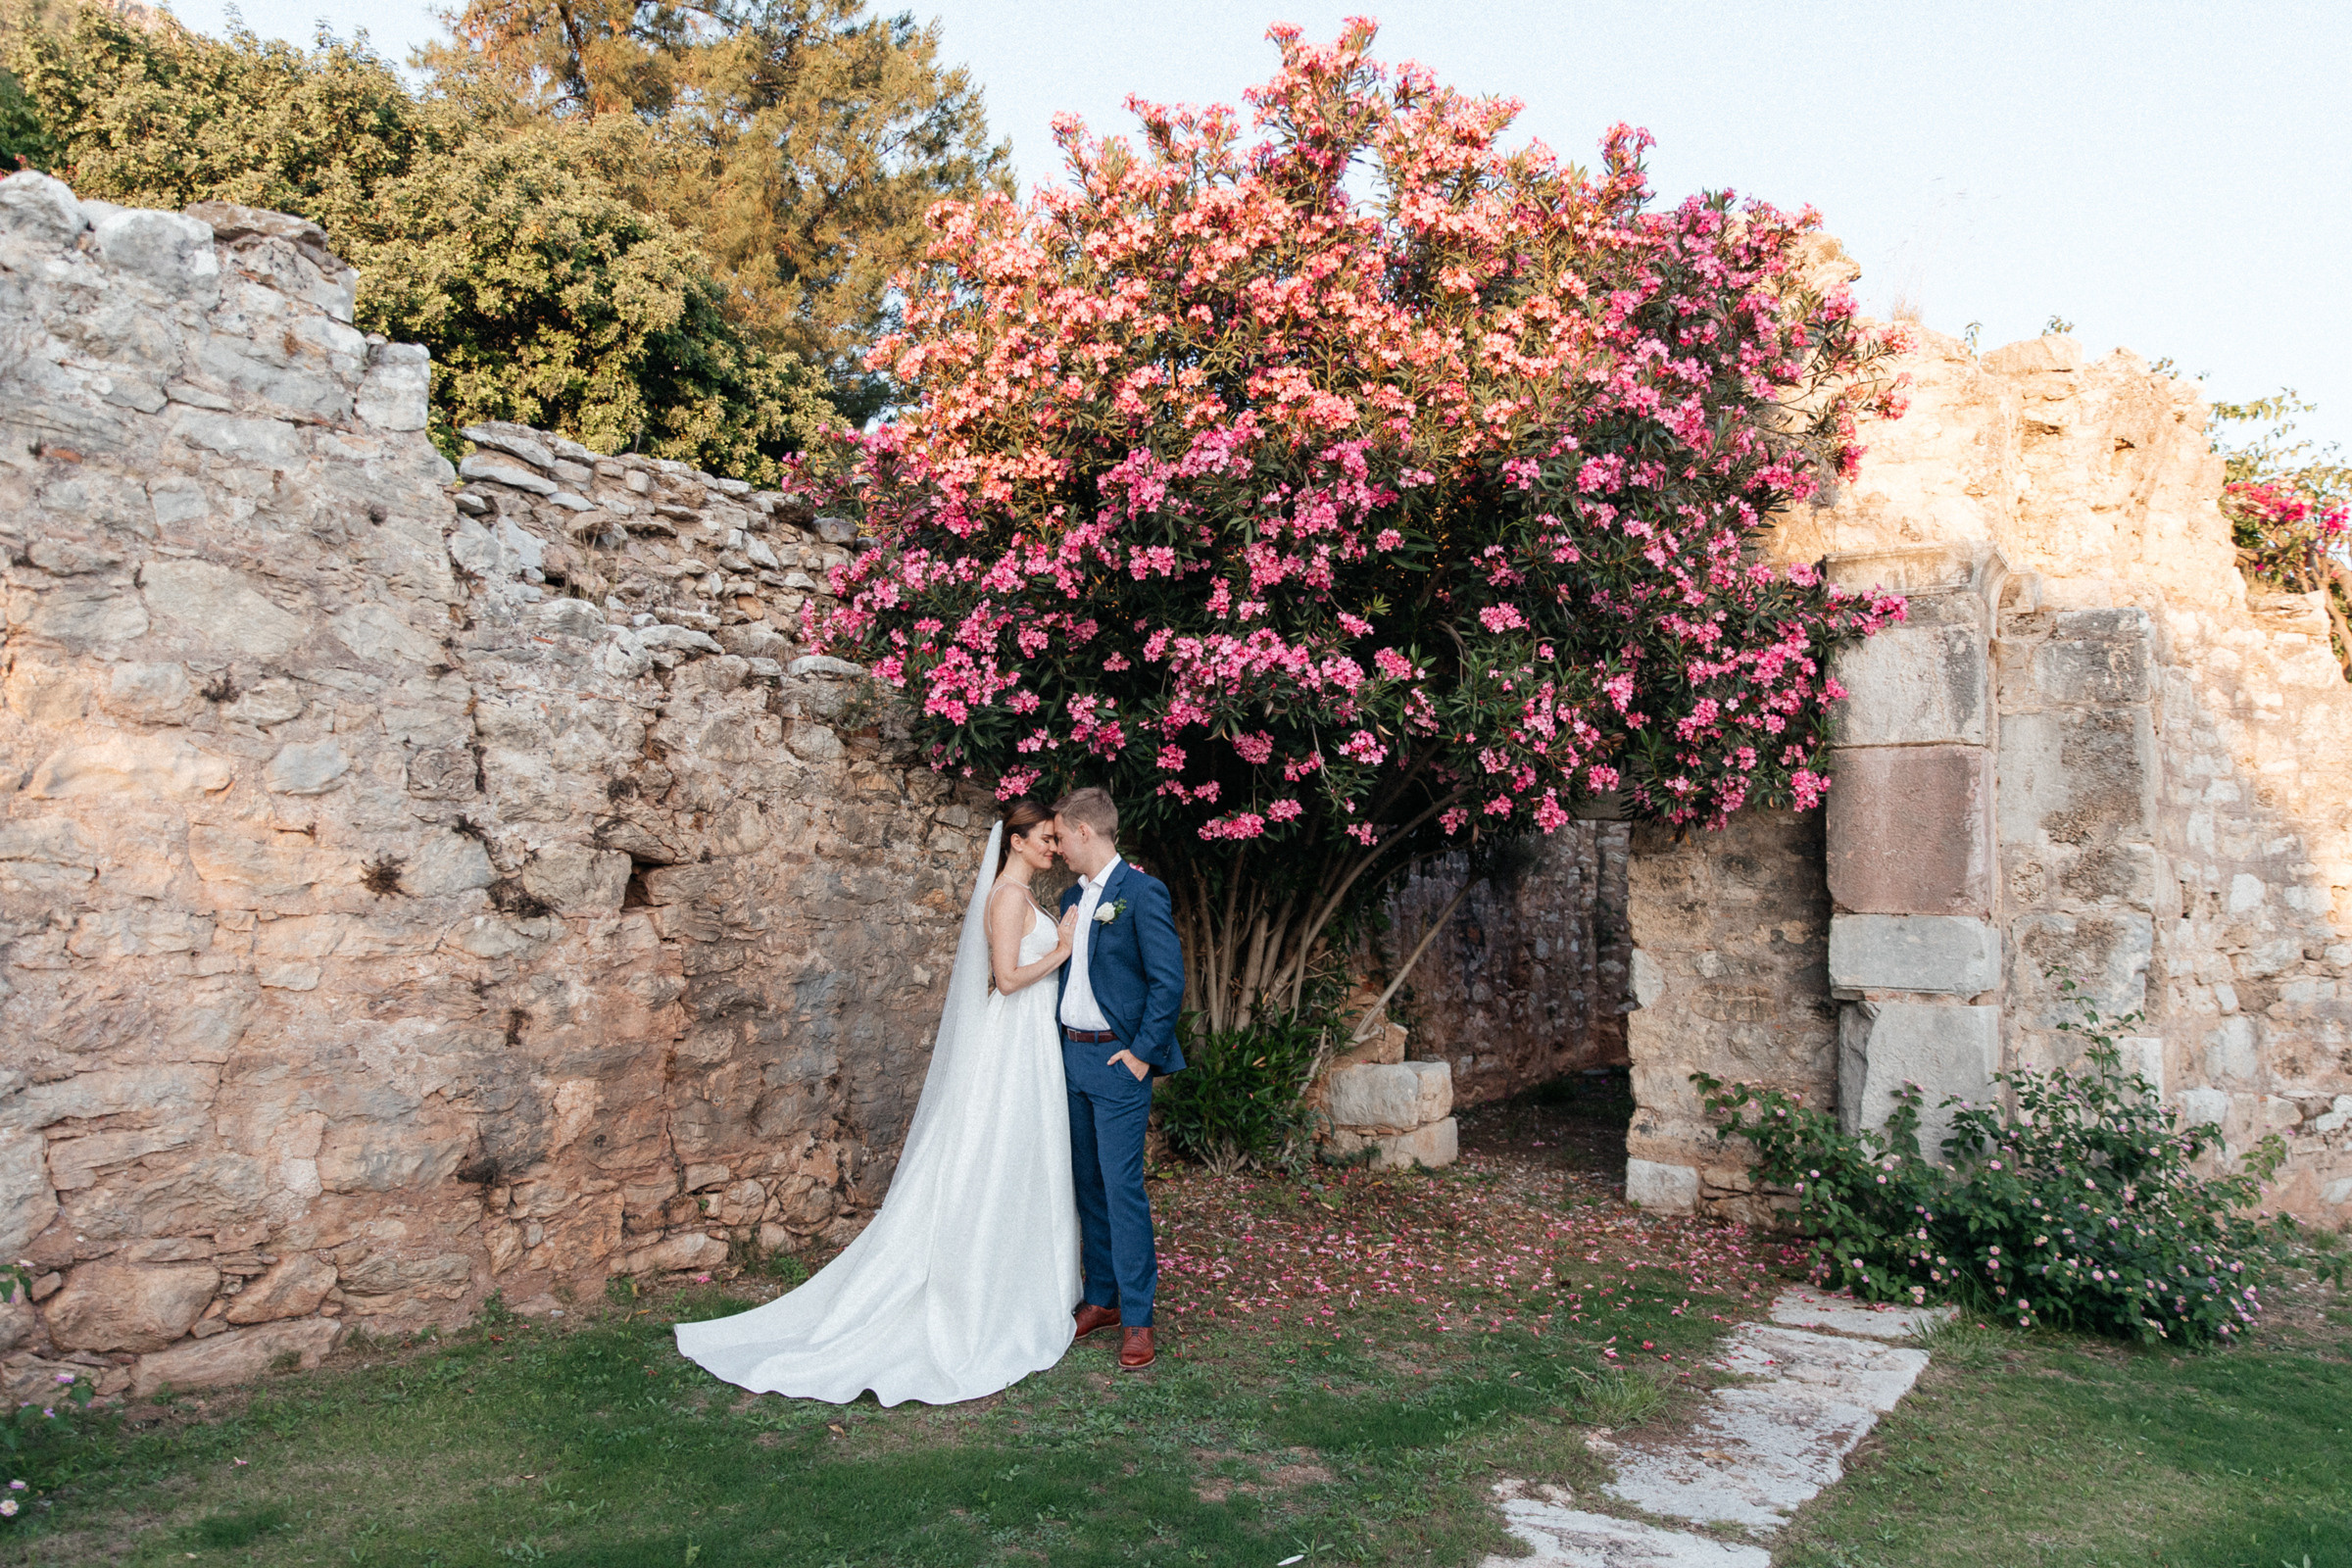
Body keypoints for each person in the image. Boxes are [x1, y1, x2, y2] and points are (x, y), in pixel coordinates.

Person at [672, 799, 1083, 1405]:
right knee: (991, 1152)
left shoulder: (1024, 899)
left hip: (1031, 1043)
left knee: (1024, 1153)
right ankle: (973, 1289)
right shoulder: (1005, 899)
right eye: (1045, 838)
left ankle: (1025, 1278)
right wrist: (1063, 950)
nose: (1053, 848)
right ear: (1016, 841)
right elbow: (1007, 979)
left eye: (1054, 839)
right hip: (1012, 1040)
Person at [1052, 786, 1188, 1371]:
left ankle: (1138, 1318)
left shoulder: (1141, 892)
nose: (1055, 847)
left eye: (1059, 836)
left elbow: (1168, 981)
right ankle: (1102, 1299)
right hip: (1069, 1058)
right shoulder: (1067, 897)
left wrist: (1140, 1055)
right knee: (1087, 1186)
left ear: (1086, 831)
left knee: (1121, 1187)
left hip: (1116, 1062)